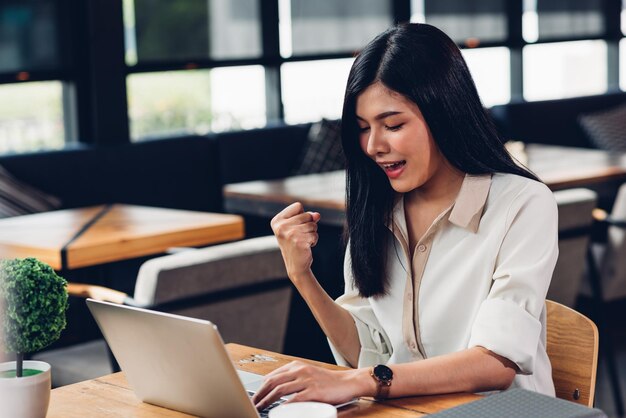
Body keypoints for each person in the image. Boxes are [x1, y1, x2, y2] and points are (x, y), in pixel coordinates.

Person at [253, 23, 558, 411]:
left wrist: (358, 381)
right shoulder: (377, 209)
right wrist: (302, 276)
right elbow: (368, 348)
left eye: (393, 125)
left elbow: (495, 363)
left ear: (444, 112)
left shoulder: (523, 204)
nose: (374, 146)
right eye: (363, 129)